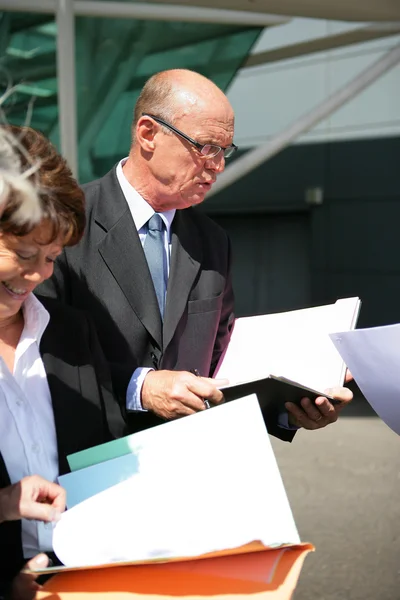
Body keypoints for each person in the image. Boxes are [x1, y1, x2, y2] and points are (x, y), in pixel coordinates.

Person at [38, 68, 352, 440]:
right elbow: (38, 354)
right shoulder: (66, 223)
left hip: (191, 459)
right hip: (88, 460)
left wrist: (291, 405)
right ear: (148, 134)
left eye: (224, 151)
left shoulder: (212, 241)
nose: (217, 165)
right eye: (205, 147)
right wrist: (140, 387)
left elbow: (222, 361)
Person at [0, 125, 125, 598]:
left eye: (52, 258)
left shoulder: (72, 332)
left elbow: (107, 455)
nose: (38, 275)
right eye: (25, 253)